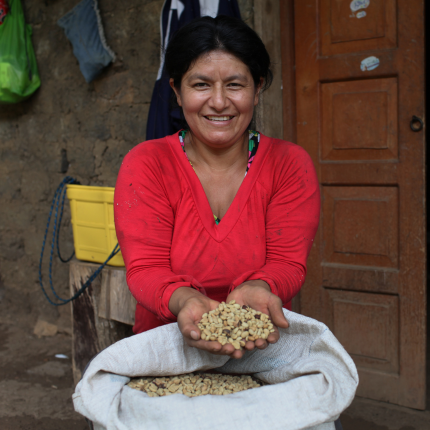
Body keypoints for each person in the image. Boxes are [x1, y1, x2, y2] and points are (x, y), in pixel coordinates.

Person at [114, 15, 320, 360]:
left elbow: (288, 263)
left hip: (260, 343)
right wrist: (185, 301)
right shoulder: (147, 164)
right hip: (166, 345)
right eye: (201, 85)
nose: (220, 102)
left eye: (235, 85)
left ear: (258, 88)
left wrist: (260, 286)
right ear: (177, 91)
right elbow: (145, 269)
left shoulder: (289, 165)